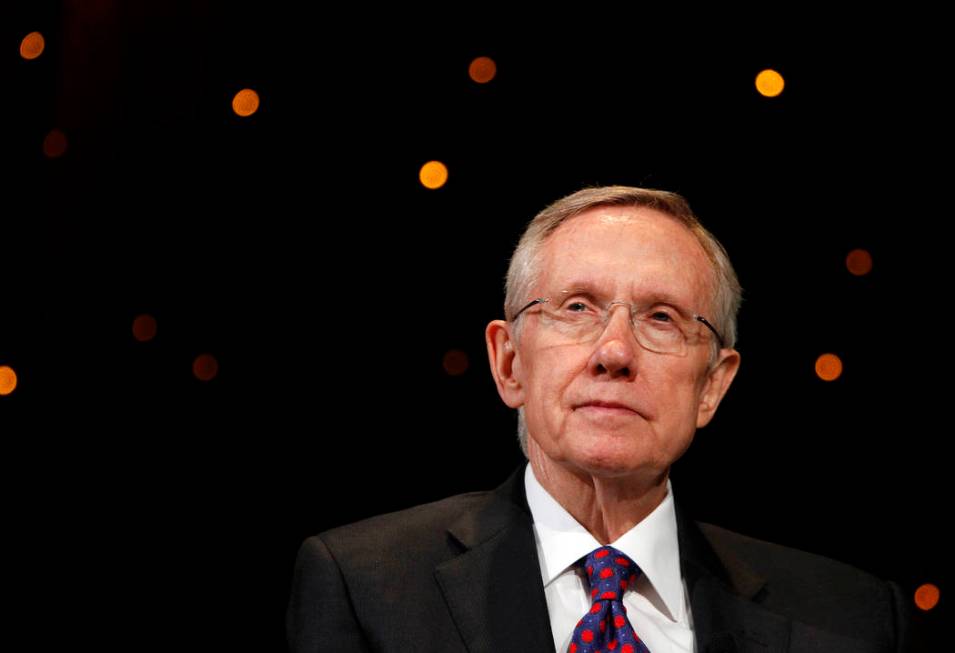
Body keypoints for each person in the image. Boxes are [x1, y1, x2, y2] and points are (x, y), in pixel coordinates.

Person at [287, 186, 910, 652]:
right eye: (578, 307)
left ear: (712, 387)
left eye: (662, 317)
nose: (614, 352)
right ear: (509, 363)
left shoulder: (850, 619)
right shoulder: (366, 585)